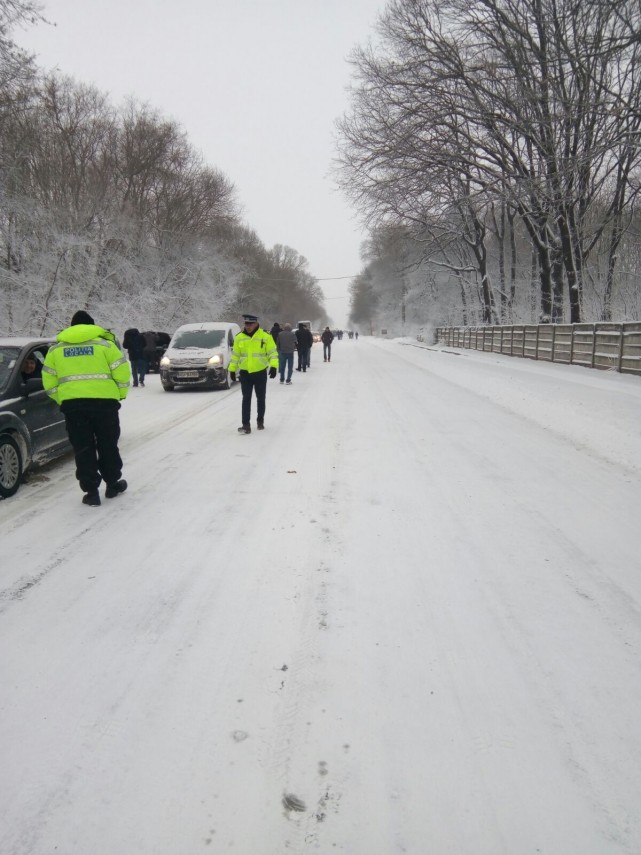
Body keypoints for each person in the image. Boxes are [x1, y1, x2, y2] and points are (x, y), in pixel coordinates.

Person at [42, 310, 131, 506]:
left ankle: (91, 492)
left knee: (83, 448)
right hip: (105, 404)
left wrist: (63, 399)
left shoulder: (56, 350)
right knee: (108, 444)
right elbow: (123, 373)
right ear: (92, 326)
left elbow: (48, 381)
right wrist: (119, 395)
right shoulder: (105, 345)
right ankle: (112, 484)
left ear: (71, 327)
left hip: (74, 407)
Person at [229, 313, 278, 433]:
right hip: (245, 373)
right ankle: (246, 425)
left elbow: (272, 352)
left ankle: (260, 420)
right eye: (246, 324)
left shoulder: (265, 336)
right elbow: (235, 355)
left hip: (260, 372)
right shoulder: (239, 337)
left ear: (256, 324)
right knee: (246, 398)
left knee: (260, 398)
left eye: (250, 324)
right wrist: (232, 369)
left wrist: (274, 366)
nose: (248, 326)